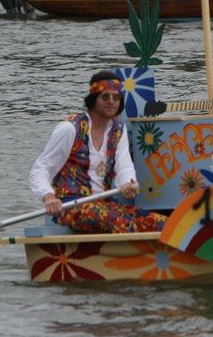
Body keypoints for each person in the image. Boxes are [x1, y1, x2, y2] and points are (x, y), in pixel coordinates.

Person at [29, 71, 166, 234]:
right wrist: (49, 197)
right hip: (71, 206)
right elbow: (41, 169)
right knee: (122, 222)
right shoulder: (70, 128)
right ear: (94, 99)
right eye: (105, 96)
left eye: (116, 97)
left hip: (105, 205)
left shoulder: (118, 130)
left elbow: (124, 166)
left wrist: (128, 183)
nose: (111, 102)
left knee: (161, 224)